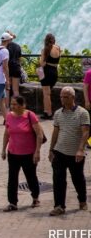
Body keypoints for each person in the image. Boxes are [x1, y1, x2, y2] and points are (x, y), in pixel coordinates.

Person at [48, 86, 90, 216]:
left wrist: (80, 149)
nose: (62, 99)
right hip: (59, 151)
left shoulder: (82, 113)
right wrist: (51, 149)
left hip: (75, 153)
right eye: (61, 96)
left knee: (77, 179)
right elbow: (56, 132)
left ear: (72, 97)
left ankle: (82, 200)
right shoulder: (58, 113)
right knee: (58, 179)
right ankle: (59, 205)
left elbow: (86, 132)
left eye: (65, 97)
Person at [1, 96, 44, 212]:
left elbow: (39, 135)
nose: (12, 106)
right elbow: (6, 134)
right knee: (12, 178)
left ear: (22, 105)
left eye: (15, 104)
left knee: (31, 177)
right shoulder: (9, 116)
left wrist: (37, 151)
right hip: (13, 153)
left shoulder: (30, 116)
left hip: (28, 154)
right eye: (12, 104)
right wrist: (3, 150)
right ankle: (12, 203)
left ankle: (35, 197)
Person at [39, 33, 61, 120]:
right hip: (54, 72)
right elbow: (58, 61)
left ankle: (49, 113)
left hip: (46, 72)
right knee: (48, 94)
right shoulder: (58, 48)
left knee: (46, 94)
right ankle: (46, 111)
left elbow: (42, 63)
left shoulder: (45, 49)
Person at [5, 31, 22, 103]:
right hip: (16, 68)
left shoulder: (5, 47)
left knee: (7, 89)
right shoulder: (18, 46)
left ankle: (7, 107)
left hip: (8, 68)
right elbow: (19, 58)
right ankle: (17, 107)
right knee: (16, 90)